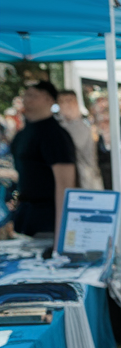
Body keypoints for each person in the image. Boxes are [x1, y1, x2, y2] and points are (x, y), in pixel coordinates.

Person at [12, 81, 77, 240]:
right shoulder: (24, 132)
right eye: (26, 95)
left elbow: (65, 184)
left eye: (33, 95)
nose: (28, 99)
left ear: (49, 100)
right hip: (26, 218)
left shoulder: (55, 135)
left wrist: (62, 234)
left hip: (47, 221)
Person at [55, 90, 103, 191]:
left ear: (76, 103)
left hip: (84, 181)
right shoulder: (57, 125)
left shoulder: (82, 127)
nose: (65, 105)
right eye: (61, 101)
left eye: (69, 101)